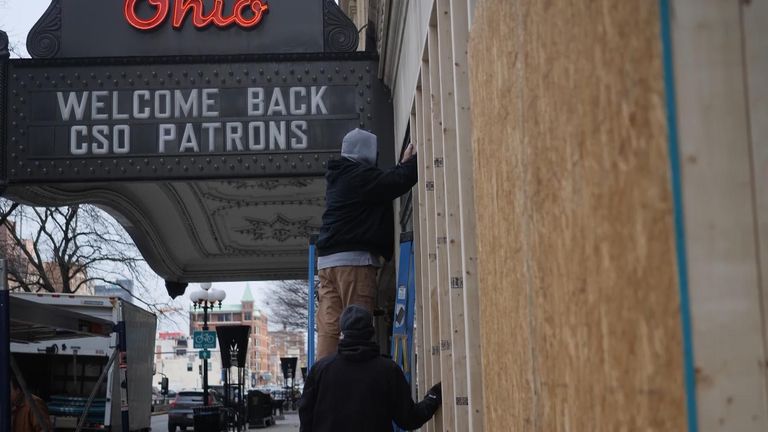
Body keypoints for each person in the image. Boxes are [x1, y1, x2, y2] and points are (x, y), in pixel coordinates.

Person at [315, 128, 418, 359]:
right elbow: (395, 182)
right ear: (367, 152)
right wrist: (414, 162)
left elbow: (381, 183)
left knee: (330, 328)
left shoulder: (341, 176)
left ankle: (324, 382)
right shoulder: (358, 177)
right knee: (357, 328)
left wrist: (401, 166)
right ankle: (356, 383)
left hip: (327, 264)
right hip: (354, 263)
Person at [298, 304, 441, 432]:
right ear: (371, 331)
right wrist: (433, 397)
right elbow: (409, 419)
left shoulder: (321, 370)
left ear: (342, 332)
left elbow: (305, 418)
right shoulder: (388, 370)